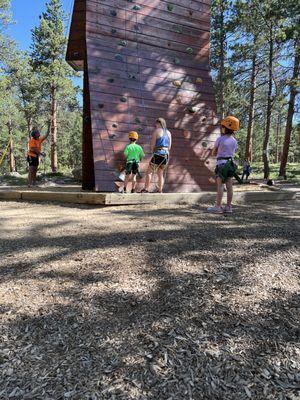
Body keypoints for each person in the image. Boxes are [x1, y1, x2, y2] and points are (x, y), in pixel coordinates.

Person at [207, 116, 240, 214]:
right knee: (229, 186)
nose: (222, 128)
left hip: (221, 165)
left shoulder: (220, 139)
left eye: (222, 126)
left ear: (226, 127)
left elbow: (214, 153)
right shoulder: (234, 141)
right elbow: (232, 152)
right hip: (230, 165)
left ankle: (218, 206)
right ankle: (229, 207)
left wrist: (213, 151)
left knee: (220, 186)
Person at [141, 117, 172, 193]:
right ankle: (160, 190)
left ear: (159, 123)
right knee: (160, 173)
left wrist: (152, 151)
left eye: (156, 124)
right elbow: (169, 146)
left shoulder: (157, 131)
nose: (155, 125)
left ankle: (146, 189)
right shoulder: (168, 133)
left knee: (149, 172)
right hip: (166, 155)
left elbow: (153, 145)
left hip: (158, 153)